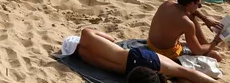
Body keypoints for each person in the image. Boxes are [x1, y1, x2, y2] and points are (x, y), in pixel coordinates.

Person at [73, 28, 218, 83]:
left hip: (130, 72)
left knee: (176, 76)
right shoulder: (87, 36)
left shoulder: (84, 56)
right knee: (185, 71)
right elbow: (110, 40)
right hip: (137, 57)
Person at [147, 0, 225, 61]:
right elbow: (198, 50)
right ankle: (207, 46)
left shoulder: (168, 4)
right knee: (216, 56)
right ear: (191, 3)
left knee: (191, 15)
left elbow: (191, 11)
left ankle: (206, 45)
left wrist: (205, 18)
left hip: (150, 44)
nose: (198, 8)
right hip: (166, 54)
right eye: (198, 5)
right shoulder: (187, 23)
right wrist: (215, 41)